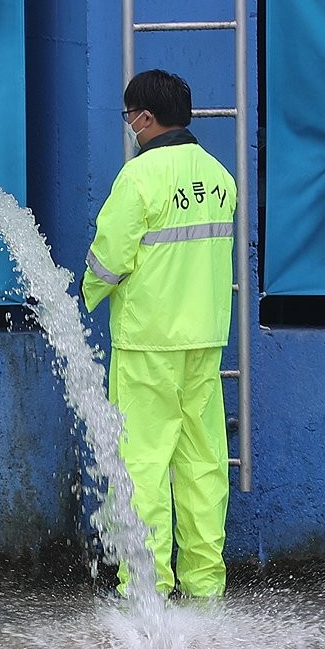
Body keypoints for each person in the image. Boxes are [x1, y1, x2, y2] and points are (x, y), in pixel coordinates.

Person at [81, 69, 237, 599]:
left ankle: (145, 587)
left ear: (145, 118)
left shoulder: (139, 177)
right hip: (205, 339)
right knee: (203, 464)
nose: (128, 126)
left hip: (148, 341)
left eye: (128, 117)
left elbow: (109, 259)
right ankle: (206, 586)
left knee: (142, 464)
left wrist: (77, 297)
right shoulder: (219, 177)